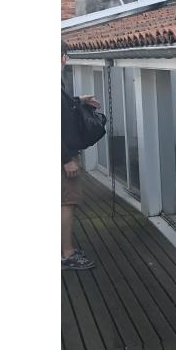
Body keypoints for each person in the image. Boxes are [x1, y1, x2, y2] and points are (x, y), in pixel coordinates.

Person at [61, 45, 99, 270]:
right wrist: (66, 159)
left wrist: (78, 100)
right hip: (63, 157)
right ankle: (66, 254)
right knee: (66, 203)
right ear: (62, 58)